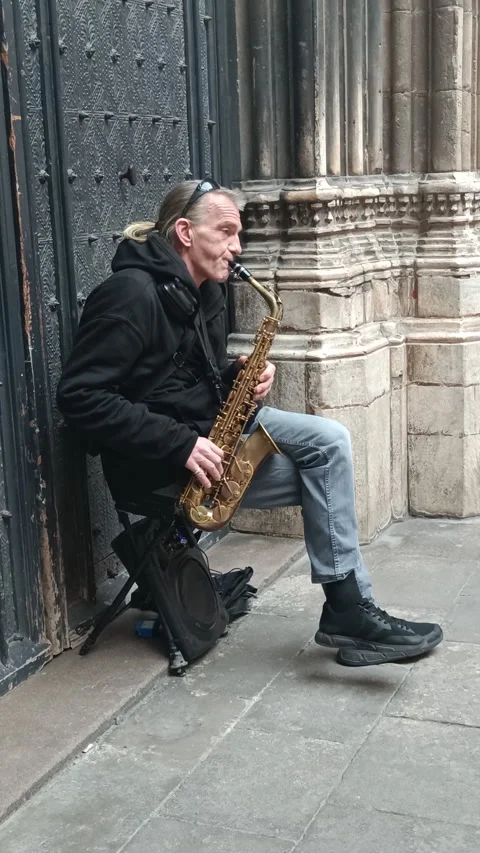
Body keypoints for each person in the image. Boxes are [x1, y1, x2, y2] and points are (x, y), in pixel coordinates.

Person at [57, 178, 443, 667]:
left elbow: (188, 373)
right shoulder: (128, 296)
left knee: (331, 442)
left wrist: (237, 372)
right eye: (227, 232)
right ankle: (349, 610)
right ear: (184, 232)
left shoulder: (209, 291)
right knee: (322, 473)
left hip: (216, 433)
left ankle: (348, 609)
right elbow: (80, 397)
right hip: (163, 464)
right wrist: (180, 445)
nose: (238, 247)